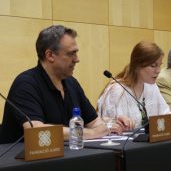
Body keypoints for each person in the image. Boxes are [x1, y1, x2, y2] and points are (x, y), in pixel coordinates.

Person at [0, 25, 133, 144]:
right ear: (50, 55)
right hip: (23, 166)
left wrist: (112, 122)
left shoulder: (71, 83)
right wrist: (90, 133)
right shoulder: (26, 84)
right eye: (71, 54)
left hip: (63, 159)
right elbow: (37, 131)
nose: (77, 59)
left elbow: (94, 122)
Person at [98, 41, 171, 128]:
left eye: (159, 65)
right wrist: (117, 125)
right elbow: (106, 126)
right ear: (138, 66)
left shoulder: (151, 86)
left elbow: (164, 114)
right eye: (153, 66)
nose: (158, 71)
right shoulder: (117, 90)